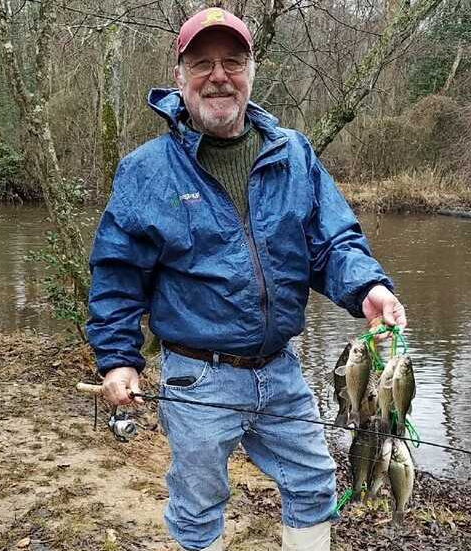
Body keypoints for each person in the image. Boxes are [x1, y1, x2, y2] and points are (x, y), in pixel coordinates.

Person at [86, 7, 406, 551]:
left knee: (313, 484)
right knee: (198, 503)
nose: (218, 76)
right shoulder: (147, 170)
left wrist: (366, 288)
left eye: (232, 61)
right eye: (202, 63)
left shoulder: (294, 155)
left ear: (251, 70)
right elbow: (117, 274)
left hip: (281, 370)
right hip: (196, 377)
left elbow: (331, 244)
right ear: (180, 74)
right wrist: (118, 359)